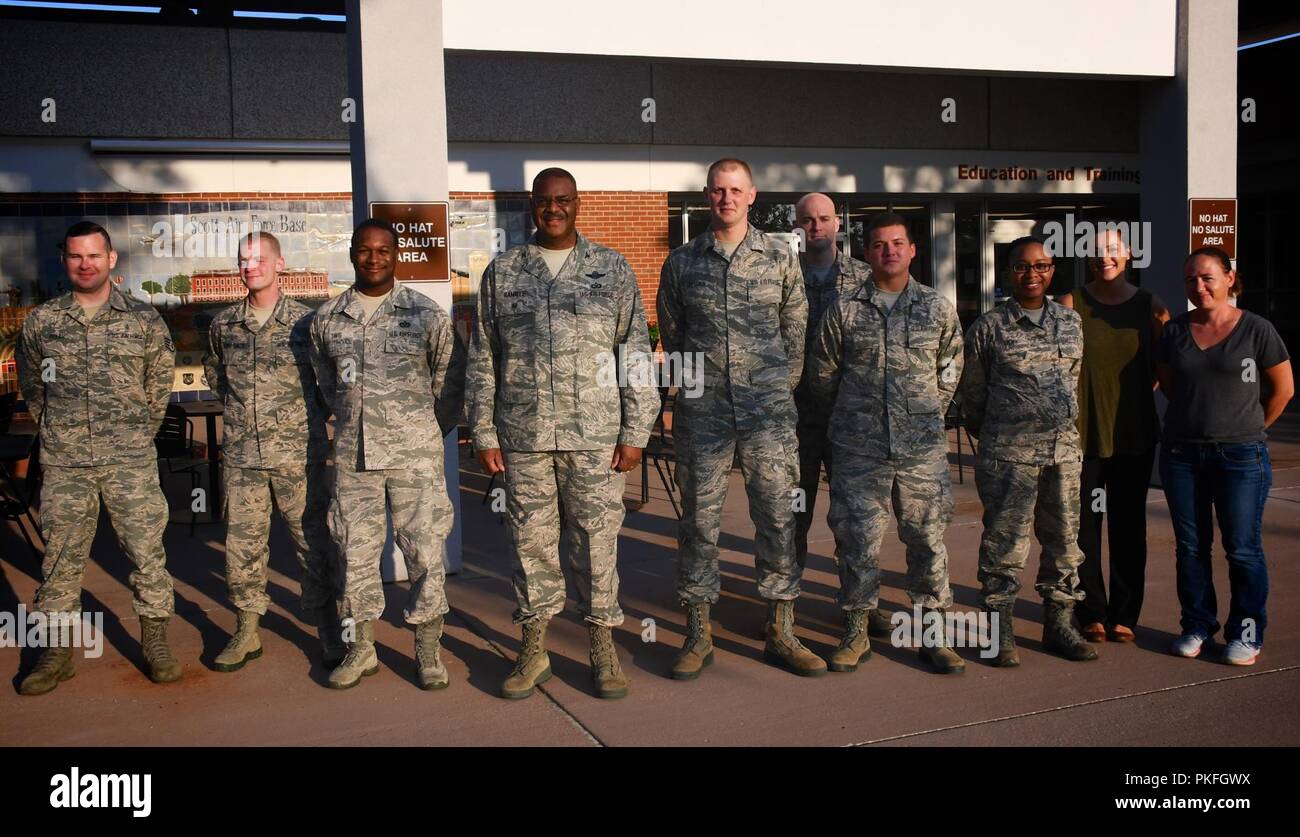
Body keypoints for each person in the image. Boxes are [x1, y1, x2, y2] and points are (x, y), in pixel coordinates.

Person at [467, 168, 659, 700]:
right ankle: (534, 647)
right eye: (545, 201)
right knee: (530, 543)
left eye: (564, 200)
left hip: (597, 436)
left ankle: (602, 644)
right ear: (532, 206)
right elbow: (484, 357)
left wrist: (637, 429)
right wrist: (483, 431)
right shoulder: (503, 272)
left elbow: (635, 354)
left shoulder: (611, 269)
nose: (554, 209)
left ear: (578, 205)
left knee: (597, 544)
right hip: (523, 436)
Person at [656, 157, 824, 679]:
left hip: (767, 416)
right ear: (707, 196)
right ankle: (698, 633)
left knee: (776, 518)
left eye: (735, 190)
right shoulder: (683, 262)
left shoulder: (778, 258)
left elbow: (796, 332)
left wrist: (774, 386)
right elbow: (674, 336)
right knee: (698, 524)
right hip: (703, 416)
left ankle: (781, 629)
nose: (726, 199)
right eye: (717, 190)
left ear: (752, 196)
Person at [16, 221, 180, 694]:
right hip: (66, 462)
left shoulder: (144, 320)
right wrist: (61, 434)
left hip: (129, 461)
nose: (84, 264)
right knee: (61, 561)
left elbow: (157, 388)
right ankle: (57, 652)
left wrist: (131, 435)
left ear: (111, 260)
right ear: (64, 261)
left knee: (147, 553)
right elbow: (34, 390)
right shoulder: (43, 322)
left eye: (93, 255)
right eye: (75, 256)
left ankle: (155, 640)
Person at [308, 218, 466, 690]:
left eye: (383, 250)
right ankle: (361, 650)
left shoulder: (425, 314)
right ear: (352, 254)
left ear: (396, 255)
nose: (373, 258)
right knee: (355, 556)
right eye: (364, 250)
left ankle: (427, 650)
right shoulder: (327, 319)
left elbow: (450, 383)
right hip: (354, 460)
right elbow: (325, 386)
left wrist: (421, 433)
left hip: (414, 458)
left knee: (424, 553)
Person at [808, 212, 965, 674]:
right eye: (879, 245)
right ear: (868, 253)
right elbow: (823, 375)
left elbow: (950, 370)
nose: (889, 251)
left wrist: (919, 413)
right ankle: (857, 631)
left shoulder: (937, 308)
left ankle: (933, 635)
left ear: (913, 249)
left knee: (927, 540)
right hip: (859, 450)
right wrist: (858, 415)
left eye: (897, 243)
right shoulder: (846, 310)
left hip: (921, 451)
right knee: (857, 540)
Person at [203, 231, 341, 673]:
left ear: (280, 265)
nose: (252, 266)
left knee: (312, 542)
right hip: (243, 457)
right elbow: (217, 379)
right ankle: (246, 629)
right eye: (244, 260)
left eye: (261, 258)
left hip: (299, 457)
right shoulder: (224, 325)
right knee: (242, 547)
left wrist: (302, 429)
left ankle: (327, 626)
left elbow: (328, 386)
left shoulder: (308, 325)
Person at [958, 236, 1097, 667]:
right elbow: (972, 397)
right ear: (1008, 271)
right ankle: (999, 633)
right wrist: (1001, 437)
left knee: (1064, 544)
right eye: (1022, 267)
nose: (1032, 274)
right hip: (1009, 457)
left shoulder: (1070, 323)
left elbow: (1071, 381)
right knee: (1005, 546)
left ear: (1052, 270)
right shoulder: (988, 328)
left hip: (1063, 456)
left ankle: (1059, 625)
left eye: (1041, 266)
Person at [1156, 247, 1293, 666]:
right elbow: (1169, 384)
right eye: (1190, 280)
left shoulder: (1257, 329)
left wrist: (1248, 428)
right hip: (1182, 455)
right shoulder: (1175, 331)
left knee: (1243, 549)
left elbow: (1282, 390)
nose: (1199, 287)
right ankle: (1196, 625)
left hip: (1241, 457)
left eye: (1208, 277)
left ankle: (1246, 634)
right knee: (1191, 548)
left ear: (1230, 279)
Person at [1060, 226, 1170, 643]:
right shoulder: (1072, 304)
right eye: (1095, 251)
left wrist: (1129, 401)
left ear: (1127, 256)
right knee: (1084, 528)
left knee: (1129, 527)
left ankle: (1125, 614)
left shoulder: (1150, 306)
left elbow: (1162, 371)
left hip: (1134, 436)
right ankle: (1092, 611)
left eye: (1112, 250)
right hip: (1083, 438)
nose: (1103, 257)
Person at [790, 193, 892, 639]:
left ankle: (860, 602)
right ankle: (784, 606)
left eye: (824, 219)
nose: (816, 227)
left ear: (838, 223)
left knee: (855, 518)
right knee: (791, 515)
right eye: (808, 220)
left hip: (849, 418)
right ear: (797, 226)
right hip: (793, 418)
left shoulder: (863, 276)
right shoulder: (779, 274)